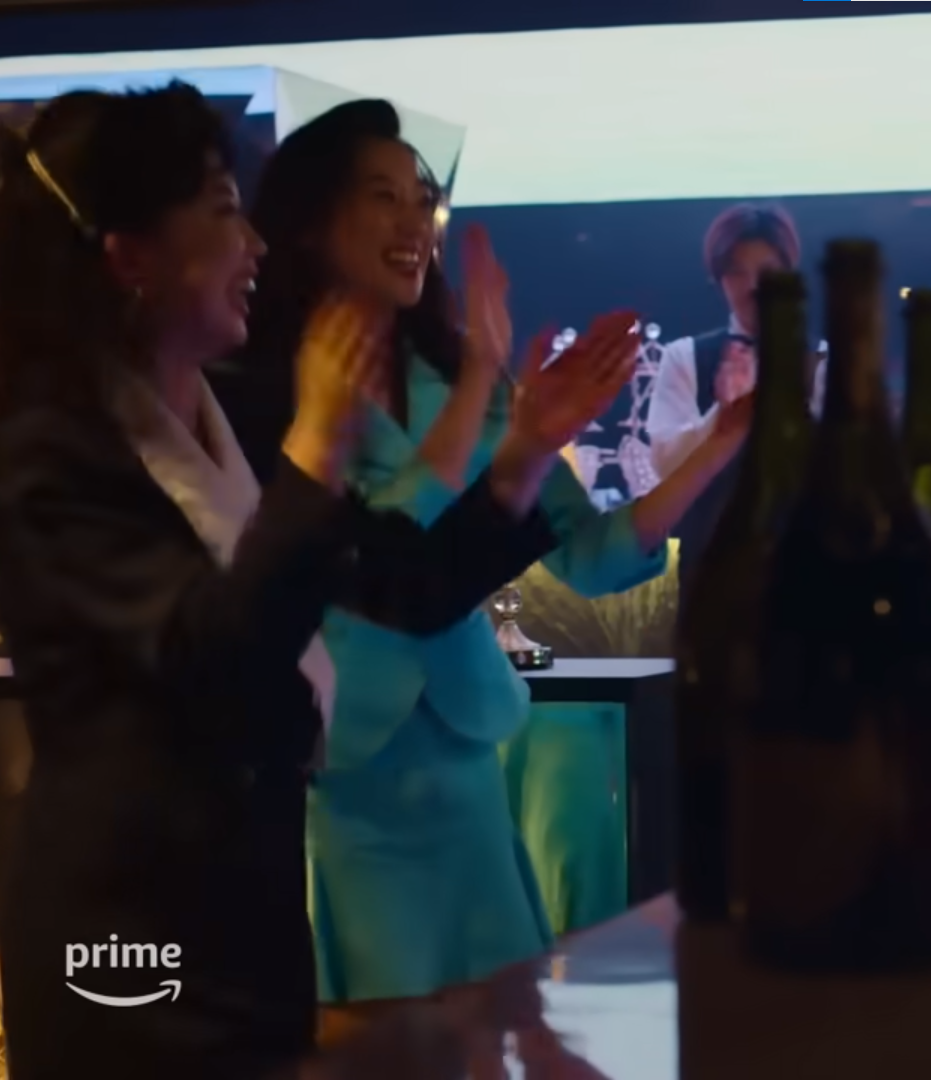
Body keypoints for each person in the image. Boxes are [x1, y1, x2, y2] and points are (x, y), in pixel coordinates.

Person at [0, 84, 602, 1080]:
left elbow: (402, 585)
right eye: (224, 210)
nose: (255, 244)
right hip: (127, 938)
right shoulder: (54, 458)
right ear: (130, 257)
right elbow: (216, 656)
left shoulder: (211, 428)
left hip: (244, 926)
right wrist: (316, 447)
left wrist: (525, 454)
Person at [227, 99, 750, 1047]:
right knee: (374, 1050)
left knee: (502, 1040)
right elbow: (381, 561)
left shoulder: (461, 374)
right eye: (381, 196)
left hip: (469, 772)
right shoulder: (266, 393)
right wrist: (484, 396)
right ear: (308, 222)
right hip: (342, 785)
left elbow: (592, 559)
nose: (412, 222)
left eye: (420, 198)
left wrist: (718, 441)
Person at [646, 201, 820, 596]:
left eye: (767, 271)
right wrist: (721, 416)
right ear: (719, 278)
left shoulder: (823, 359)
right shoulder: (684, 357)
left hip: (807, 564)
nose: (753, 285)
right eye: (737, 272)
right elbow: (664, 464)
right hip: (710, 563)